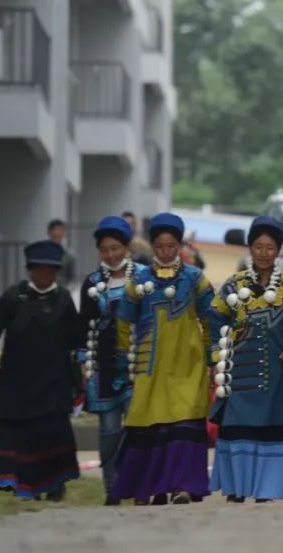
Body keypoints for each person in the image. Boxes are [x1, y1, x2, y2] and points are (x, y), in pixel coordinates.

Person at [208, 216, 283, 503]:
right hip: (241, 374)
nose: (263, 253)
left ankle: (266, 490)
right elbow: (213, 319)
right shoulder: (233, 286)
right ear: (249, 248)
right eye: (258, 246)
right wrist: (216, 357)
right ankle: (237, 488)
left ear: (278, 250)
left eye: (270, 247)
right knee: (238, 427)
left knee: (273, 428)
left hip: (277, 375)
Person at [0, 240, 85, 500]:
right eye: (38, 270)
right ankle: (17, 483)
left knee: (51, 436)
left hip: (53, 386)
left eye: (49, 271)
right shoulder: (12, 297)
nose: (43, 276)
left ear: (56, 272)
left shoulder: (63, 300)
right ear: (29, 270)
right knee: (11, 436)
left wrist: (82, 368)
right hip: (15, 386)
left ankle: (53, 485)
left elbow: (77, 340)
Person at [111, 213, 214, 505]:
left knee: (184, 423)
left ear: (179, 245)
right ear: (153, 246)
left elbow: (211, 318)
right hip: (150, 366)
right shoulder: (140, 281)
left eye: (171, 246)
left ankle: (182, 485)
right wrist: (125, 360)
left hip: (187, 364)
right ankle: (152, 488)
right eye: (160, 246)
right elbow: (124, 322)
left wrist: (212, 356)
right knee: (151, 425)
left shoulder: (194, 278)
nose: (166, 252)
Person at [79, 215, 143, 505]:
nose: (111, 254)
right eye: (104, 249)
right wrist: (83, 360)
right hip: (103, 367)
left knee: (138, 427)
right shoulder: (91, 283)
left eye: (116, 247)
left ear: (127, 247)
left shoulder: (144, 276)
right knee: (108, 430)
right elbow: (84, 325)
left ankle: (141, 487)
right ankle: (112, 490)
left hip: (136, 365)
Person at [47, 219, 77, 288]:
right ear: (49, 232)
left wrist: (67, 291)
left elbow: (72, 278)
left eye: (61, 230)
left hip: (63, 290)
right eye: (55, 230)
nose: (58, 233)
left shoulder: (69, 255)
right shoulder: (43, 253)